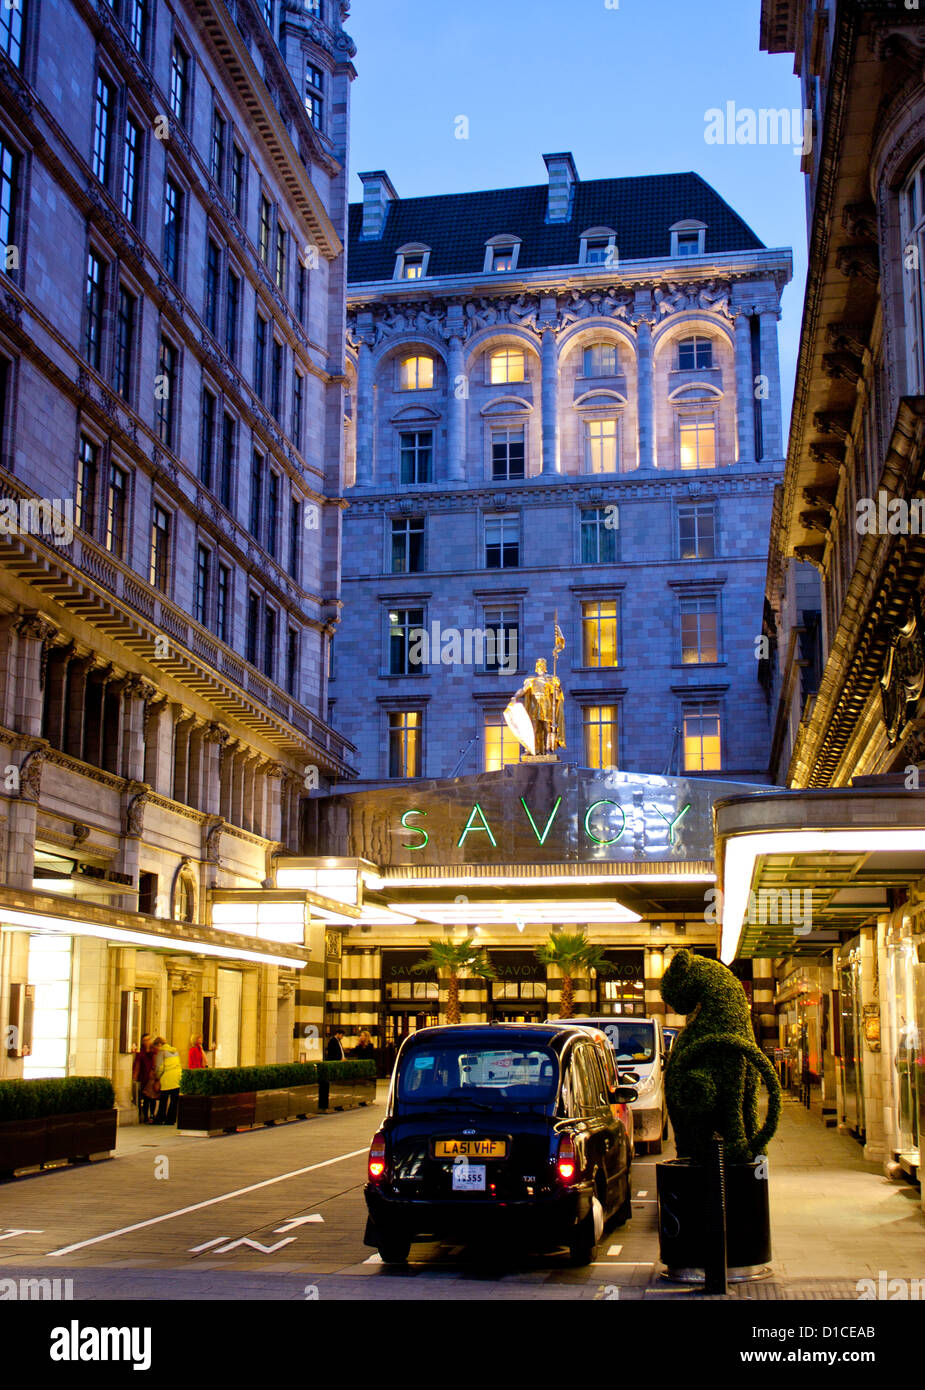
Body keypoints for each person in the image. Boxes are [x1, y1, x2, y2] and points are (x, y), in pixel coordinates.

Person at [152, 1037, 182, 1125]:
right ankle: (171, 1120)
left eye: (155, 1047)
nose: (156, 1050)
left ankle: (160, 1118)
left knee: (163, 1100)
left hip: (167, 1077)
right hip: (177, 1077)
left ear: (159, 1044)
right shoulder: (175, 1051)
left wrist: (157, 1077)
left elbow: (160, 1067)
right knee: (174, 1100)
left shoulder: (162, 1052)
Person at [132, 1034, 156, 1125]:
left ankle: (152, 1115)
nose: (147, 1042)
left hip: (152, 1077)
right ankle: (145, 1116)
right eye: (145, 1040)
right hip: (144, 1077)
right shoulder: (141, 1052)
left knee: (153, 1097)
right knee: (146, 1098)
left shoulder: (153, 1051)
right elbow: (137, 1065)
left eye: (149, 1039)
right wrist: (135, 1076)